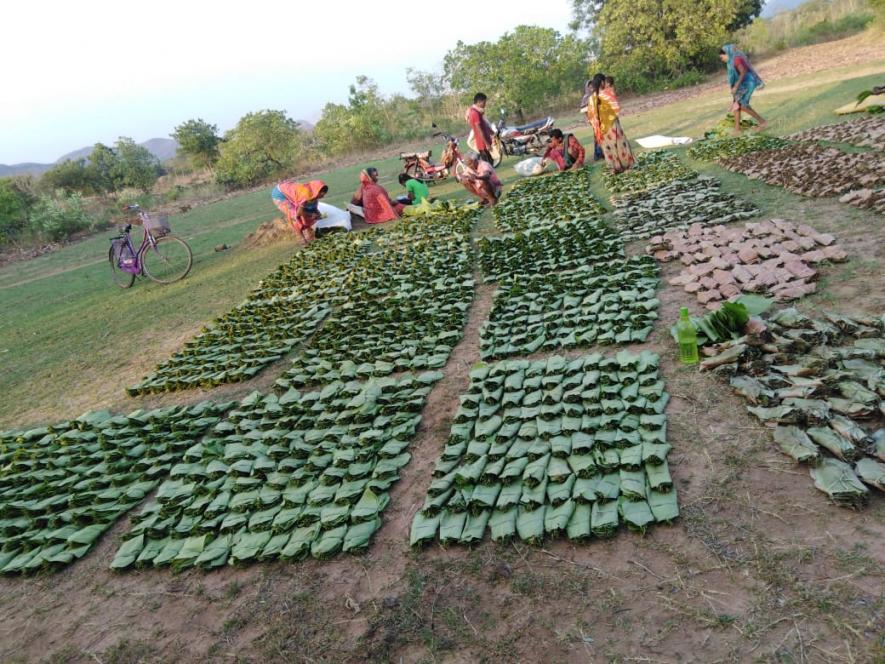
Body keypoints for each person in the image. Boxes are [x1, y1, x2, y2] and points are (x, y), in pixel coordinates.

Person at [586, 73, 635, 174]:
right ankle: (627, 166)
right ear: (603, 82)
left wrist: (597, 127)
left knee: (607, 147)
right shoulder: (607, 94)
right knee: (620, 145)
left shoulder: (591, 99)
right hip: (612, 125)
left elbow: (590, 116)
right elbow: (616, 108)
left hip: (601, 128)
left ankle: (614, 168)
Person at [720, 45, 767, 133]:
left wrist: (736, 86)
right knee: (736, 105)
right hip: (742, 83)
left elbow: (743, 72)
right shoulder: (730, 62)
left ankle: (763, 122)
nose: (721, 60)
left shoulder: (736, 59)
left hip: (748, 82)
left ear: (727, 53)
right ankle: (737, 130)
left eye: (722, 57)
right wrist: (734, 97)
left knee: (743, 105)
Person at [271, 179, 328, 245]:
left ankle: (310, 233)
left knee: (308, 211)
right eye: (321, 194)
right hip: (280, 194)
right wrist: (311, 214)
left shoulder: (313, 194)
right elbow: (298, 213)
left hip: (290, 189)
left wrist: (317, 213)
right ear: (317, 191)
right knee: (293, 215)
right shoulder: (305, 195)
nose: (323, 196)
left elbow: (313, 208)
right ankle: (302, 238)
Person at [580, 80, 605, 162]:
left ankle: (603, 152)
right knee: (598, 136)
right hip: (594, 120)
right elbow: (585, 111)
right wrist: (590, 119)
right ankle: (599, 153)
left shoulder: (597, 95)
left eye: (593, 86)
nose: (592, 88)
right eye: (590, 87)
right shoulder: (586, 98)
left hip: (601, 118)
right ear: (587, 88)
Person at [465, 92, 494, 164]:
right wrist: (487, 144)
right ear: (479, 102)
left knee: (490, 163)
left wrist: (491, 132)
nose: (485, 104)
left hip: (483, 143)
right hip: (482, 144)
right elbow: (479, 130)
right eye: (484, 102)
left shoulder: (477, 112)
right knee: (488, 165)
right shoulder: (475, 113)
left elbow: (484, 125)